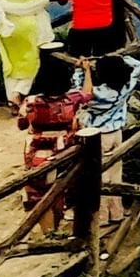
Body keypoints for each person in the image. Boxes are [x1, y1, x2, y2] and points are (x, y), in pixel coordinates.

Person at [18, 47, 90, 231]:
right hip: (64, 152)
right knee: (60, 190)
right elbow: (88, 94)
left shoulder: (31, 102)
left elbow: (22, 125)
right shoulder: (72, 99)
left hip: (36, 154)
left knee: (39, 193)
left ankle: (48, 232)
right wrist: (87, 70)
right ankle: (58, 227)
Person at [76, 52, 140, 226]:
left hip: (99, 136)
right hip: (117, 133)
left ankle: (103, 216)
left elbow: (83, 95)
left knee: (100, 176)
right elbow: (136, 64)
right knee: (115, 173)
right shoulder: (127, 85)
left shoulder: (100, 94)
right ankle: (117, 212)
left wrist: (84, 71)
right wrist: (117, 58)